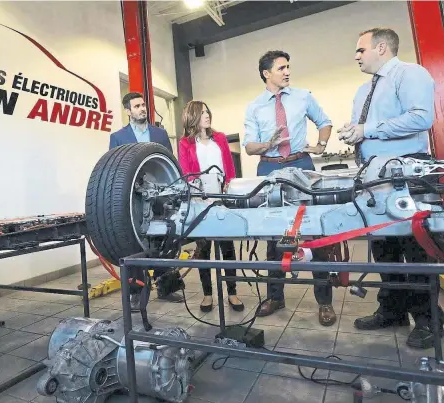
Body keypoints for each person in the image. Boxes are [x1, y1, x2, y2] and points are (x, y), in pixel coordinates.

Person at [337, 27, 442, 349]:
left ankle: (428, 320)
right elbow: (364, 130)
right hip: (374, 175)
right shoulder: (362, 90)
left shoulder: (410, 74)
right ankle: (392, 310)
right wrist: (353, 133)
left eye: (360, 49)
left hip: (407, 171)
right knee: (384, 246)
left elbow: (422, 118)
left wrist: (368, 129)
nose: (356, 56)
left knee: (415, 245)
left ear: (381, 47)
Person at [243, 50, 337, 326]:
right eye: (281, 68)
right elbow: (249, 147)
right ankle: (275, 297)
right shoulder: (254, 106)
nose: (287, 71)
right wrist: (267, 144)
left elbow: (325, 121)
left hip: (301, 166)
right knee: (275, 239)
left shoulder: (303, 96)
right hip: (269, 168)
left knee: (313, 233)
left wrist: (320, 145)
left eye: (288, 67)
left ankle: (325, 302)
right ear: (266, 73)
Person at [110, 92, 184, 309]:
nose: (142, 109)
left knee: (165, 237)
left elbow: (170, 163)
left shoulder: (160, 134)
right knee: (133, 243)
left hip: (160, 195)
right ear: (127, 111)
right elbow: (113, 172)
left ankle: (166, 287)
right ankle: (136, 292)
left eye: (143, 105)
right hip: (133, 199)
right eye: (137, 106)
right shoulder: (118, 138)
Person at [178, 100, 245, 312]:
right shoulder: (185, 144)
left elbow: (230, 168)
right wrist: (197, 193)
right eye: (203, 112)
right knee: (204, 250)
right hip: (200, 200)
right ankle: (208, 294)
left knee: (227, 248)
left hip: (222, 198)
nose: (207, 115)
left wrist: (230, 186)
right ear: (193, 116)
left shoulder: (221, 139)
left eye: (208, 111)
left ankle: (232, 293)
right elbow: (186, 172)